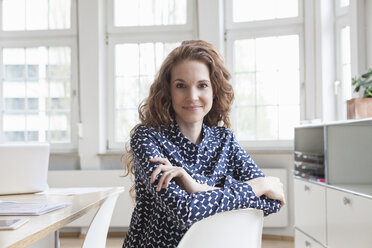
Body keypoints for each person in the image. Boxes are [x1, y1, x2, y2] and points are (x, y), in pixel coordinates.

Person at [122, 40, 285, 248]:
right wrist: (257, 186)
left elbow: (272, 202)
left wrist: (197, 187)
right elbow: (185, 211)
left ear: (214, 90)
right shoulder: (146, 138)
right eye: (181, 86)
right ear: (168, 91)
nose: (192, 96)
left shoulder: (224, 140)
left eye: (202, 85)